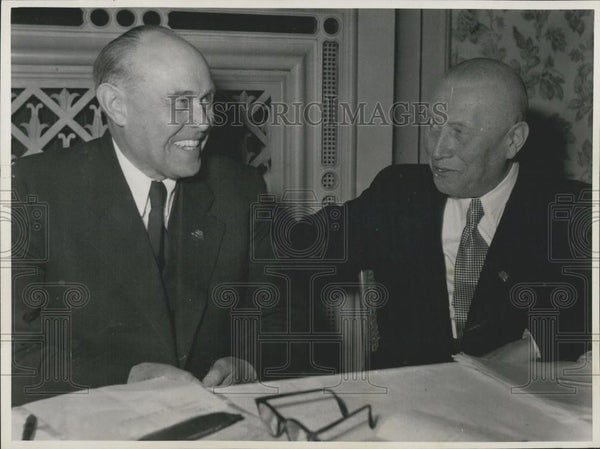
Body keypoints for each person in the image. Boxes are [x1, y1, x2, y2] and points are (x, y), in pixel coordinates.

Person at [11, 26, 276, 405]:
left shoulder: (241, 189)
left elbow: (287, 316)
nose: (204, 121)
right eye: (182, 102)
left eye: (206, 100)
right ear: (116, 105)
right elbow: (12, 355)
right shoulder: (31, 189)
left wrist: (250, 362)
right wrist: (124, 378)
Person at [305, 58, 591, 371]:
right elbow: (298, 251)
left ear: (512, 141)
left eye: (459, 132)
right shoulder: (398, 192)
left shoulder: (570, 208)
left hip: (517, 406)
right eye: (433, 127)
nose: (438, 149)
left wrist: (533, 346)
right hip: (412, 401)